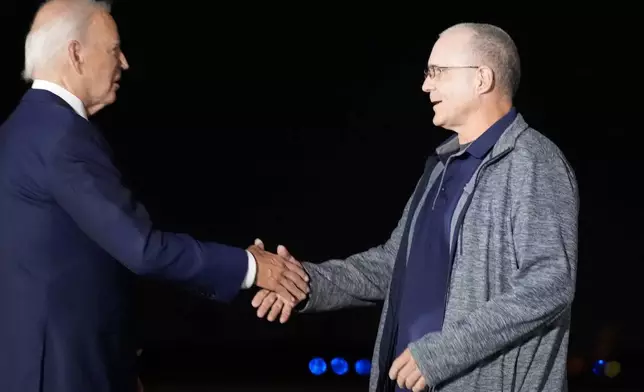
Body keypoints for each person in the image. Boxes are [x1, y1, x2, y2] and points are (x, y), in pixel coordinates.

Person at [251, 22, 579, 392]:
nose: (426, 85)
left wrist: (440, 354)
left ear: (482, 78)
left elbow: (548, 283)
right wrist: (302, 282)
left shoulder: (533, 161)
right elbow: (392, 264)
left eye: (437, 72)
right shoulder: (441, 168)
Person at [0, 1, 309, 391]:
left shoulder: (21, 127)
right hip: (64, 372)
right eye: (114, 49)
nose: (124, 62)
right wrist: (252, 268)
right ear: (76, 54)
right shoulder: (61, 136)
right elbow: (142, 249)